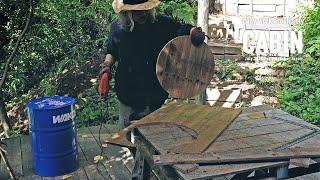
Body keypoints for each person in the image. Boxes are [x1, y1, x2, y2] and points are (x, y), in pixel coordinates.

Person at [99, 0, 206, 129]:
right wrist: (106, 68)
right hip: (128, 94)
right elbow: (112, 51)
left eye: (145, 9)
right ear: (127, 13)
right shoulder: (117, 29)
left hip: (155, 94)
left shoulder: (162, 24)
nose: (143, 13)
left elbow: (183, 28)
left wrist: (194, 31)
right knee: (127, 136)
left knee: (154, 137)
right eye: (137, 11)